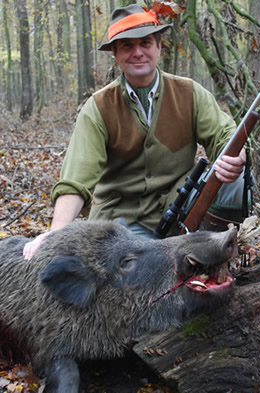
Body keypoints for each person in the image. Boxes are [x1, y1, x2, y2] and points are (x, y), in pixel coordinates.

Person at [23, 4, 248, 260]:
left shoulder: (190, 93)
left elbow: (227, 137)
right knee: (132, 273)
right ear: (115, 55)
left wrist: (235, 159)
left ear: (159, 47)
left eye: (145, 43)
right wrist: (55, 234)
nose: (138, 52)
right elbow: (76, 182)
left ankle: (216, 254)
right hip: (121, 224)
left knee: (235, 181)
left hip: (182, 209)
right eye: (127, 46)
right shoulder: (97, 108)